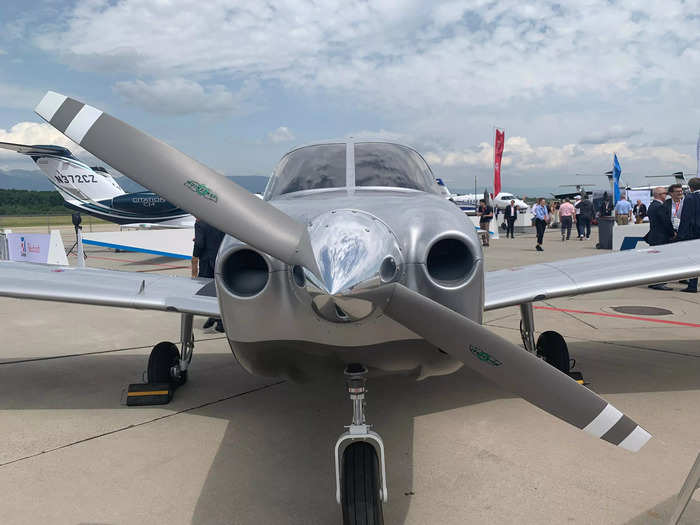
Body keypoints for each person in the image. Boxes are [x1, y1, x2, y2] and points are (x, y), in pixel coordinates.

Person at [192, 218, 226, 331]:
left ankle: (219, 320)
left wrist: (195, 256)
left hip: (207, 262)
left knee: (208, 291)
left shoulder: (200, 224)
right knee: (219, 290)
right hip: (220, 259)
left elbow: (200, 243)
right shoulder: (219, 221)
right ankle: (214, 317)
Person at [644, 187, 674, 290]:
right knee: (661, 261)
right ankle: (659, 283)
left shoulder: (652, 205)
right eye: (665, 193)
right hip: (661, 238)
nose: (666, 195)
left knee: (655, 261)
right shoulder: (659, 207)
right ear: (659, 195)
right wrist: (672, 233)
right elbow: (665, 222)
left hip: (655, 237)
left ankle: (654, 282)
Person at [676, 177, 700, 293]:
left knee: (694, 260)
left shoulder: (689, 198)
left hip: (693, 233)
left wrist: (681, 234)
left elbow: (682, 216)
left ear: (690, 187)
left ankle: (692, 285)